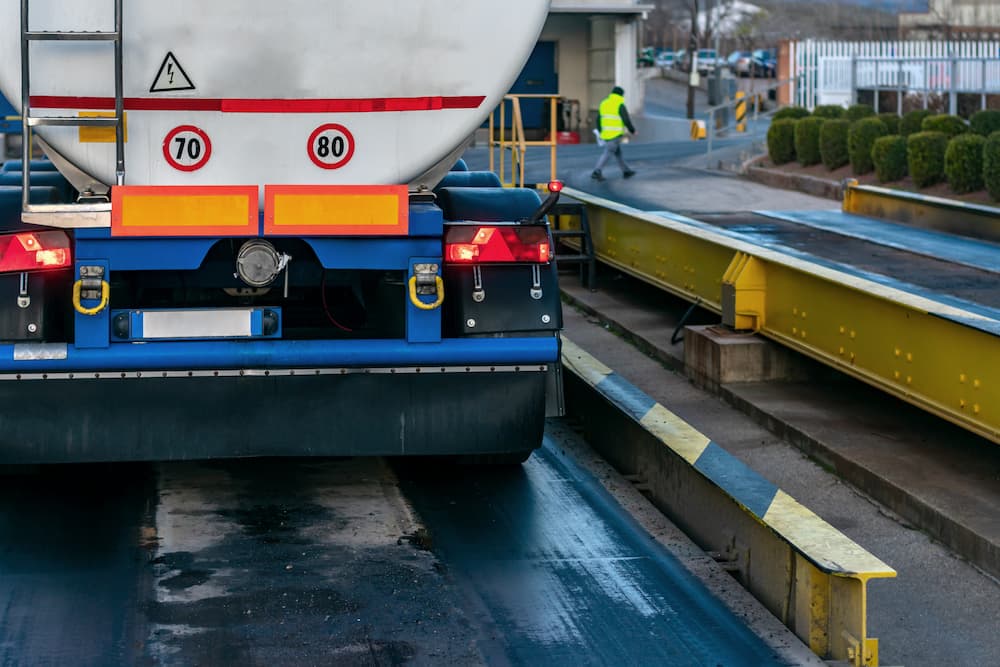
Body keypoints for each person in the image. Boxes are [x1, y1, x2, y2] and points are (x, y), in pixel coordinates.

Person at [592, 86, 636, 181]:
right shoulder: (619, 104)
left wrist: (600, 131)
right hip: (615, 134)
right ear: (621, 95)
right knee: (608, 153)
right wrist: (632, 130)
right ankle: (597, 171)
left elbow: (598, 119)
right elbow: (626, 120)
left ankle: (626, 171)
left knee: (618, 153)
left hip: (606, 133)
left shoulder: (604, 103)